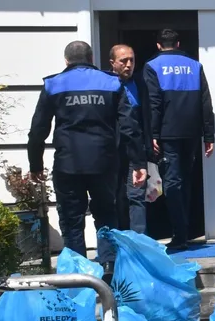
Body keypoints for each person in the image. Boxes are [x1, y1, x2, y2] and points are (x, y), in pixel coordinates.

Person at [28, 40, 145, 269]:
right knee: (106, 216)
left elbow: (38, 130)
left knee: (72, 219)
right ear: (92, 60)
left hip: (68, 163)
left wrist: (35, 165)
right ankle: (109, 266)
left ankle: (78, 273)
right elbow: (130, 126)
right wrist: (139, 162)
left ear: (66, 61)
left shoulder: (54, 85)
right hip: (104, 163)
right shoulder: (111, 83)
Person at [143, 28, 213, 253]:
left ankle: (180, 235)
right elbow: (205, 102)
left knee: (172, 183)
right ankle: (187, 231)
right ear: (179, 42)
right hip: (192, 133)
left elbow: (153, 103)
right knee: (186, 181)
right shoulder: (195, 65)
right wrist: (209, 135)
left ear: (158, 45)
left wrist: (152, 134)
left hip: (168, 133)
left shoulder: (152, 66)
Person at [108, 43, 147, 235]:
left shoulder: (141, 83)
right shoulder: (106, 85)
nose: (128, 64)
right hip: (112, 149)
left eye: (132, 60)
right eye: (123, 61)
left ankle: (139, 242)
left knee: (137, 195)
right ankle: (119, 238)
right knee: (115, 197)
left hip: (136, 147)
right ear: (112, 63)